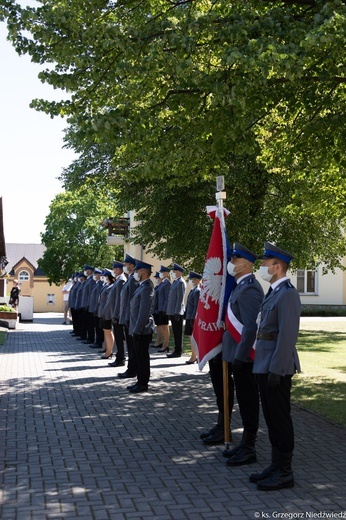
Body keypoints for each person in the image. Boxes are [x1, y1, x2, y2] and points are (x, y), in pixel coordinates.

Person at [250, 242, 301, 491]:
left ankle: (285, 471)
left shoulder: (288, 294)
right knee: (270, 419)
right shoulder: (272, 292)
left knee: (280, 419)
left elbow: (287, 336)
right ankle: (275, 464)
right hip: (264, 365)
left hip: (275, 367)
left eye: (264, 263)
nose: (261, 267)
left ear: (277, 266)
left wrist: (277, 370)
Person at [221, 243, 264, 466]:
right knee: (243, 400)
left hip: (244, 357)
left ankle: (249, 447)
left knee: (248, 401)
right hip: (237, 354)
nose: (231, 263)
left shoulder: (250, 288)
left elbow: (250, 327)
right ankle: (245, 444)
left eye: (235, 260)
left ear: (246, 264)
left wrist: (242, 355)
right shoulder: (239, 286)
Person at [127, 260, 155, 393]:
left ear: (143, 272)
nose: (135, 273)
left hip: (143, 330)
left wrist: (137, 330)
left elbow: (144, 312)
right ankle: (139, 381)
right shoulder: (142, 286)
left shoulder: (147, 287)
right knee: (139, 356)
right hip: (137, 328)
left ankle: (143, 383)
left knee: (142, 357)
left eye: (137, 271)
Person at [117, 254, 139, 379]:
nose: (123, 266)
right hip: (126, 316)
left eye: (125, 264)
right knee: (130, 346)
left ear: (131, 265)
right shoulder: (130, 278)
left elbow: (132, 301)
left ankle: (132, 370)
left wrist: (129, 317)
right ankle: (131, 369)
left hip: (130, 318)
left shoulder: (133, 280)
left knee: (132, 346)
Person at [107, 261, 127, 367]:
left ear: (118, 269)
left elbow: (120, 300)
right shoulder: (118, 280)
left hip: (118, 314)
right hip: (116, 313)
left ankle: (121, 358)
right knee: (118, 336)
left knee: (119, 336)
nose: (113, 271)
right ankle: (119, 357)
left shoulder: (121, 281)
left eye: (114, 269)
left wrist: (116, 314)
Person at [166, 263, 186, 358]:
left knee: (178, 332)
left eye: (174, 271)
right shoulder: (176, 282)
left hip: (177, 311)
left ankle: (178, 351)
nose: (173, 273)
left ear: (178, 272)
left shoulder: (181, 282)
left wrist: (177, 312)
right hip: (173, 311)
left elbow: (180, 299)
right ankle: (176, 349)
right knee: (175, 331)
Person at [184, 271, 202, 364]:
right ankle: (195, 355)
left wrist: (193, 318)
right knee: (191, 337)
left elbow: (196, 306)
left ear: (196, 280)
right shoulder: (193, 290)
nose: (190, 281)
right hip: (189, 316)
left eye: (192, 279)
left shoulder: (197, 291)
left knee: (193, 338)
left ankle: (194, 356)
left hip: (192, 318)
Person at [97, 269, 115, 359]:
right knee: (105, 331)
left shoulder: (112, 286)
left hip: (107, 312)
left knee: (108, 331)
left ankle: (109, 351)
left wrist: (105, 312)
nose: (103, 277)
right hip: (103, 311)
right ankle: (106, 348)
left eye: (105, 276)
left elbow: (109, 302)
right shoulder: (106, 285)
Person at [155, 265, 171, 353]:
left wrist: (165, 309)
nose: (160, 274)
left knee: (165, 327)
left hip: (163, 309)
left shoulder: (167, 283)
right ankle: (163, 344)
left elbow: (167, 297)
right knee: (162, 326)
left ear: (166, 273)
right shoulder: (163, 283)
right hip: (160, 308)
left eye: (162, 272)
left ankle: (165, 345)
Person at [87, 268, 104, 349]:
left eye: (96, 274)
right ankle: (97, 341)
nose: (95, 275)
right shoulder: (97, 283)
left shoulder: (100, 284)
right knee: (96, 326)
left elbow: (98, 298)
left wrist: (96, 308)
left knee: (98, 327)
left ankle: (99, 342)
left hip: (97, 309)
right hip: (94, 308)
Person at [80, 265, 96, 345]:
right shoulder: (88, 280)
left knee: (90, 323)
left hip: (88, 305)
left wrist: (88, 304)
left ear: (90, 271)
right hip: (86, 305)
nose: (85, 271)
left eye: (86, 270)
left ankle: (91, 338)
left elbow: (91, 294)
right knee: (87, 322)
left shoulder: (92, 280)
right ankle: (89, 337)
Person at [151, 272, 163, 349]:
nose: (156, 279)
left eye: (157, 278)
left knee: (160, 326)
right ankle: (157, 341)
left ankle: (159, 342)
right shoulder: (158, 286)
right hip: (155, 308)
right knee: (158, 326)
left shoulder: (162, 286)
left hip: (159, 309)